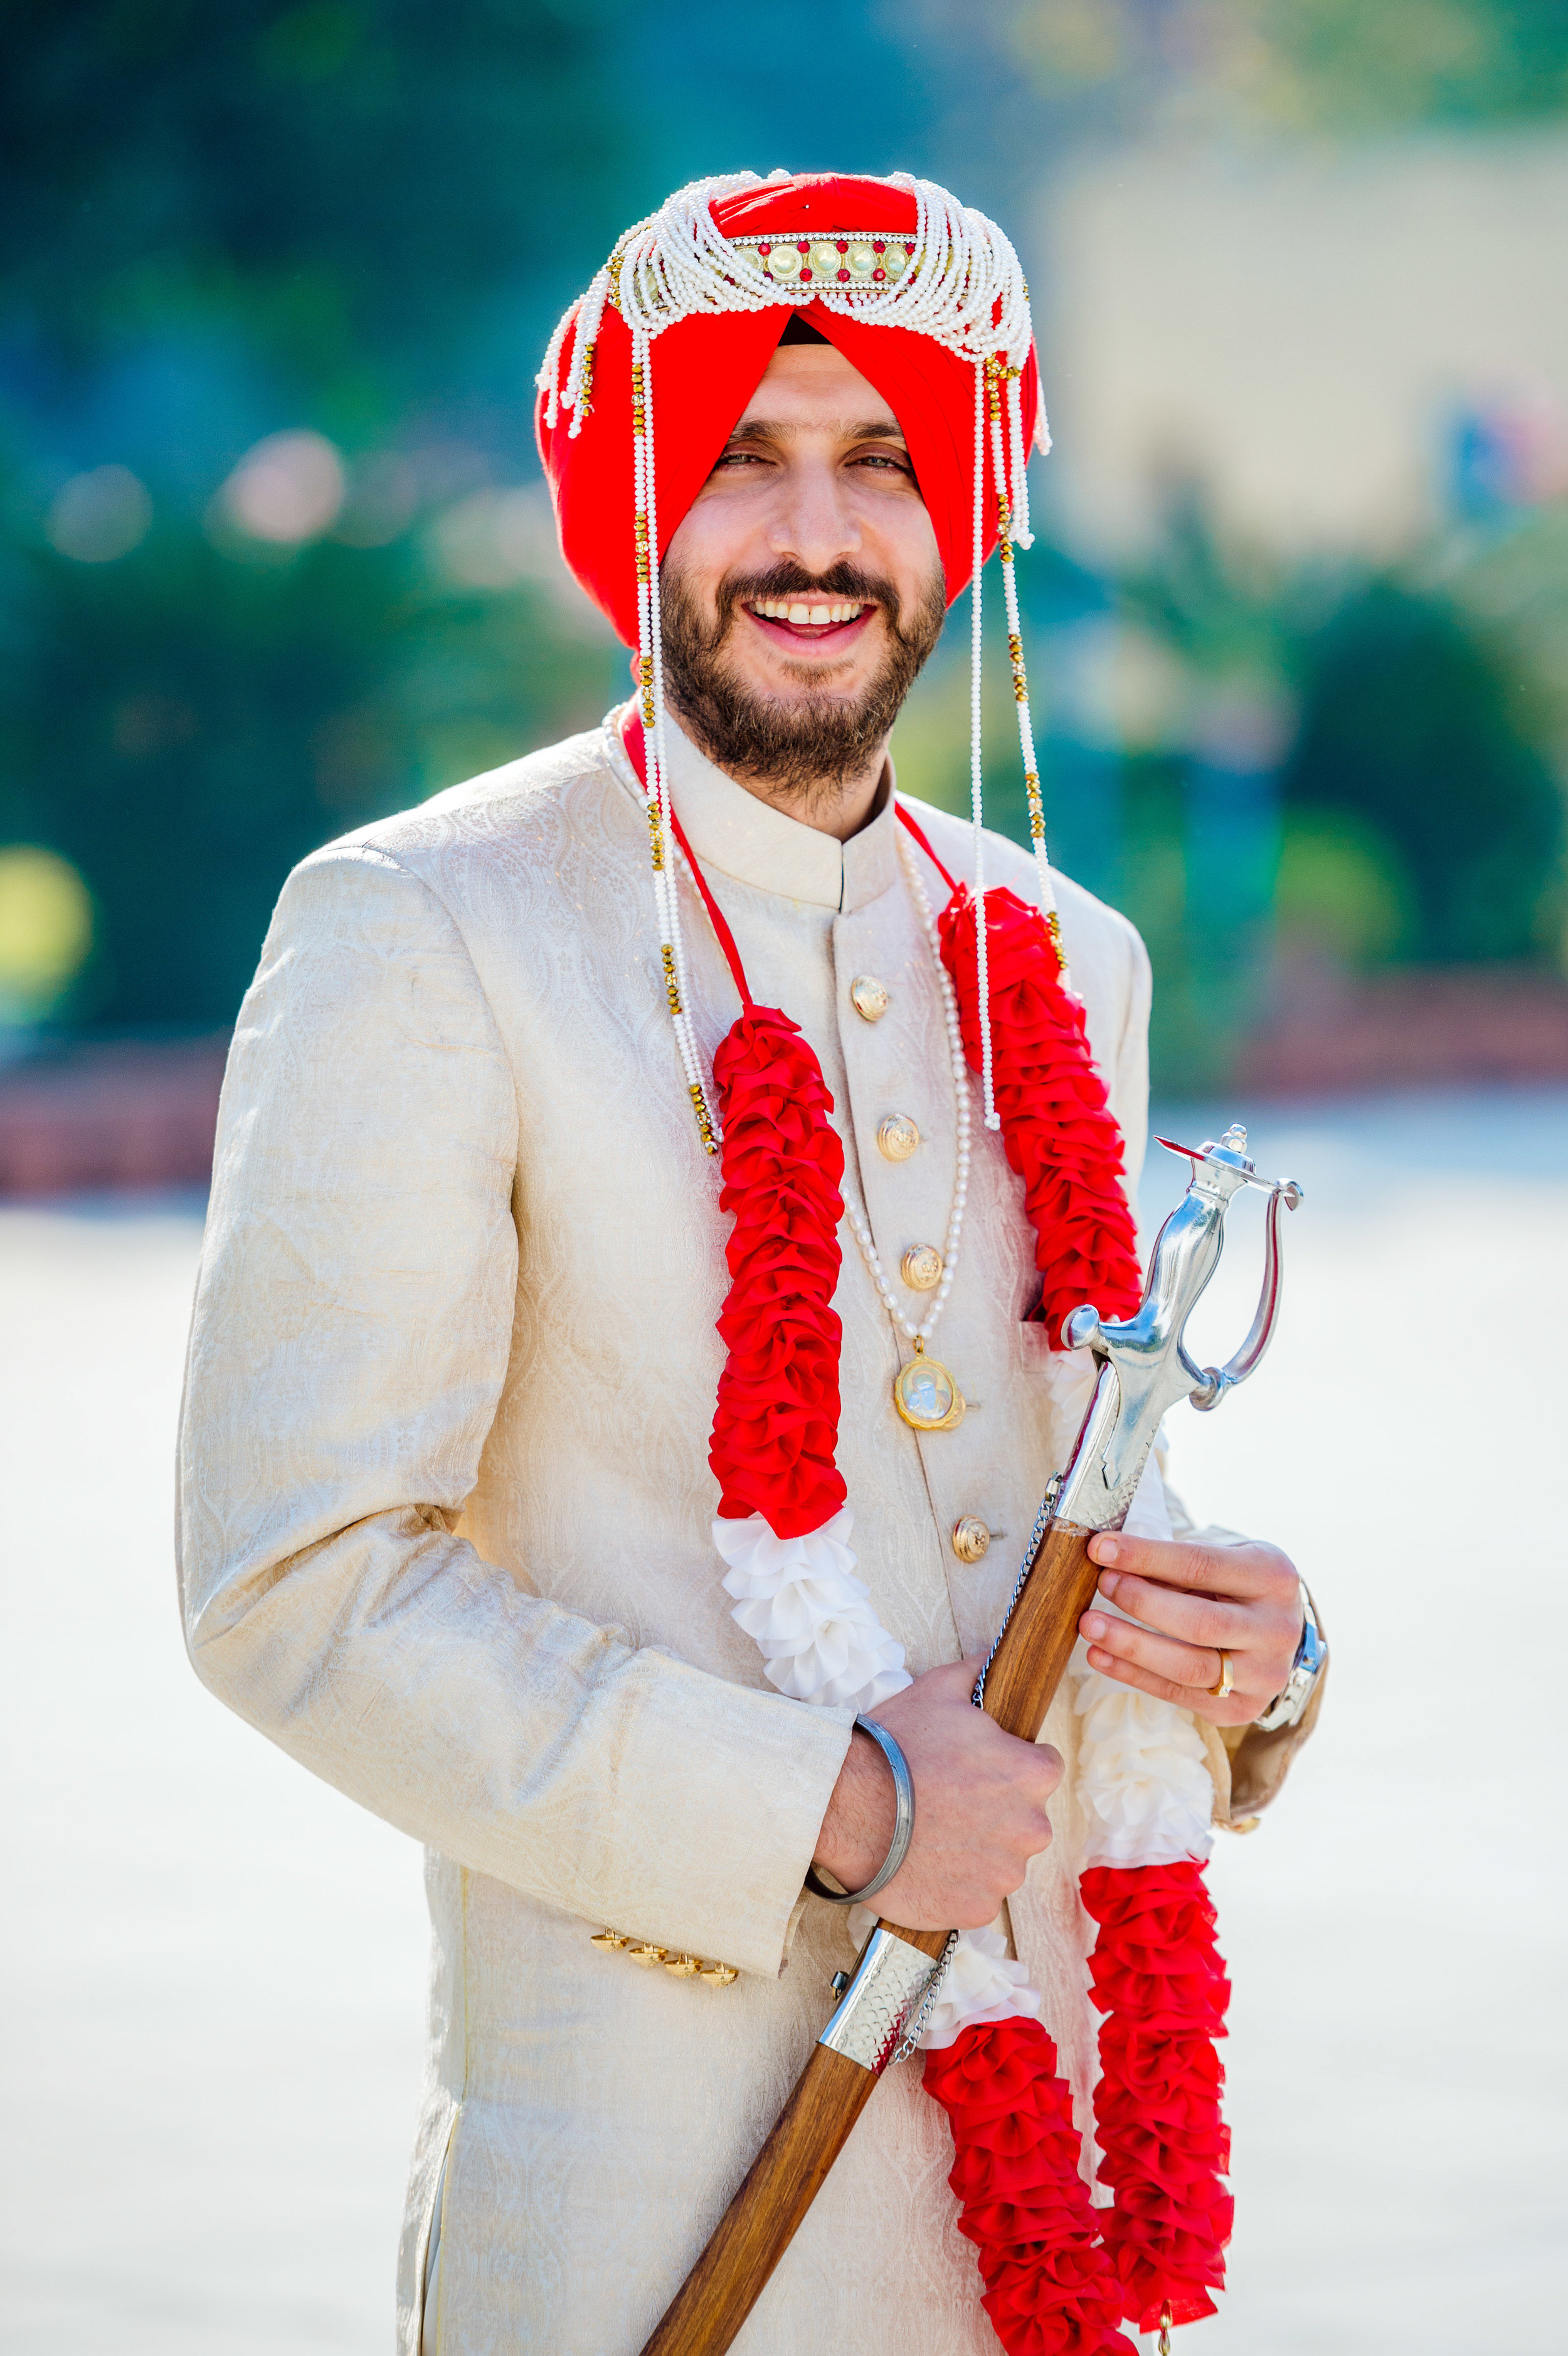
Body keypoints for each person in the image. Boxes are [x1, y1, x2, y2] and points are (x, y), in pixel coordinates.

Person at [177, 171, 1327, 2356]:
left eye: (879, 459)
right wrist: (826, 1803)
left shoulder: (1064, 954)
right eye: (739, 458)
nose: (813, 533)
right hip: (654, 2234)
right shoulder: (423, 926)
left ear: (964, 509)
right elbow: (290, 1577)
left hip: (1045, 2240)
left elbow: (1064, 1498)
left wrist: (1260, 1669)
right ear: (631, 496)